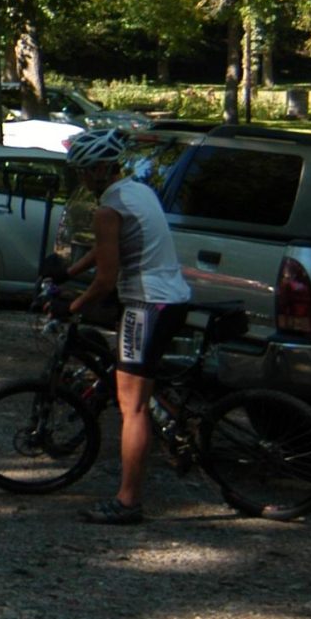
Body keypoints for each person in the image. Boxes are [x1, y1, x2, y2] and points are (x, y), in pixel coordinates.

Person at [59, 128, 190, 525]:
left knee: (131, 407)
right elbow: (106, 249)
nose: (80, 179)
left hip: (146, 303)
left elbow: (106, 279)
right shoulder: (136, 191)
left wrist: (73, 307)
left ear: (100, 169)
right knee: (140, 392)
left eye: (83, 171)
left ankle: (128, 502)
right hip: (170, 298)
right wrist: (69, 271)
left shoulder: (107, 209)